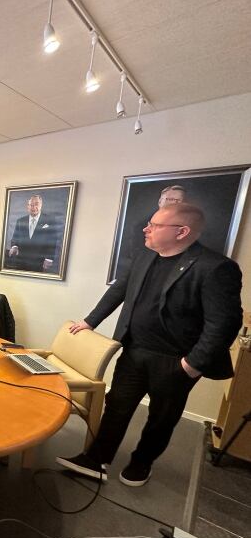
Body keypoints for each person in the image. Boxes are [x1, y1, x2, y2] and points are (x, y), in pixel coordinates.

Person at [56, 203, 242, 487]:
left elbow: (224, 324)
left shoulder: (215, 268)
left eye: (154, 225)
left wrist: (191, 366)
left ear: (181, 232)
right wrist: (90, 321)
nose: (146, 228)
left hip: (176, 360)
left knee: (161, 417)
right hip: (135, 350)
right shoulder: (144, 256)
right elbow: (118, 289)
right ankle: (96, 459)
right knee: (117, 406)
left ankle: (141, 462)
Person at [117, 185, 187, 279]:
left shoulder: (188, 226)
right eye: (170, 199)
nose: (175, 203)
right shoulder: (140, 226)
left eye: (179, 200)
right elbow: (135, 259)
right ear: (160, 202)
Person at [7, 194, 59, 272]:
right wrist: (14, 246)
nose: (33, 207)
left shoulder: (50, 221)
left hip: (40, 262)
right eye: (31, 205)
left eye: (36, 204)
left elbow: (53, 241)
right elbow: (15, 238)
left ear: (41, 205)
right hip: (21, 261)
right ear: (27, 207)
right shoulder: (20, 221)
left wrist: (49, 258)